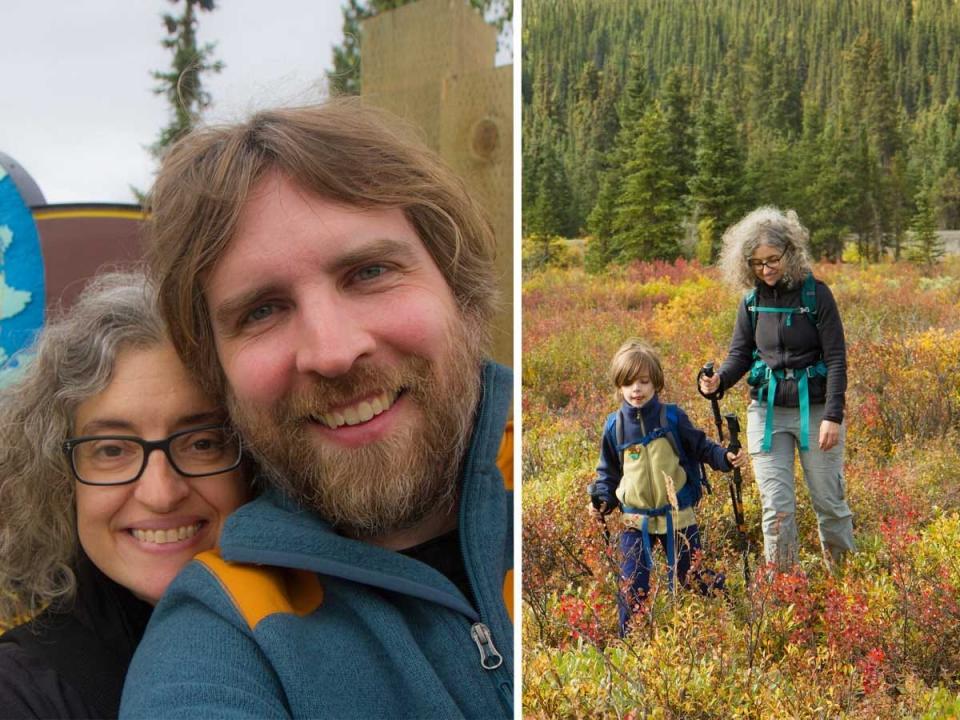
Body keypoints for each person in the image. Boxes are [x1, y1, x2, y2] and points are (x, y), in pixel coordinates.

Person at [120, 99, 514, 719]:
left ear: (458, 290)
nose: (331, 352)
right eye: (262, 310)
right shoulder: (228, 630)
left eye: (369, 272)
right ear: (216, 372)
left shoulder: (572, 469)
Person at [0, 271, 250, 719]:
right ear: (61, 480)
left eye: (202, 443)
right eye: (112, 450)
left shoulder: (338, 627)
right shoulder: (22, 693)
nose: (161, 493)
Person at [699, 206, 855, 571]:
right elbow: (740, 354)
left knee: (829, 502)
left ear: (791, 253)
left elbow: (836, 358)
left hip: (816, 413)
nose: (766, 269)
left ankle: (848, 585)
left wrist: (833, 414)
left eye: (773, 260)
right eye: (756, 263)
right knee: (776, 508)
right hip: (766, 413)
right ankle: (786, 590)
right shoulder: (751, 302)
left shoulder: (817, 295)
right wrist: (719, 380)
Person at [588, 339, 747, 637]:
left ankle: (729, 618)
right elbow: (607, 472)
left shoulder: (672, 417)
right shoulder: (614, 426)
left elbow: (702, 447)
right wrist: (602, 500)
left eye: (644, 382)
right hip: (636, 521)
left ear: (656, 383)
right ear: (619, 386)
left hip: (679, 517)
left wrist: (724, 458)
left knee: (693, 577)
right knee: (633, 583)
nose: (637, 389)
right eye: (629, 383)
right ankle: (630, 642)